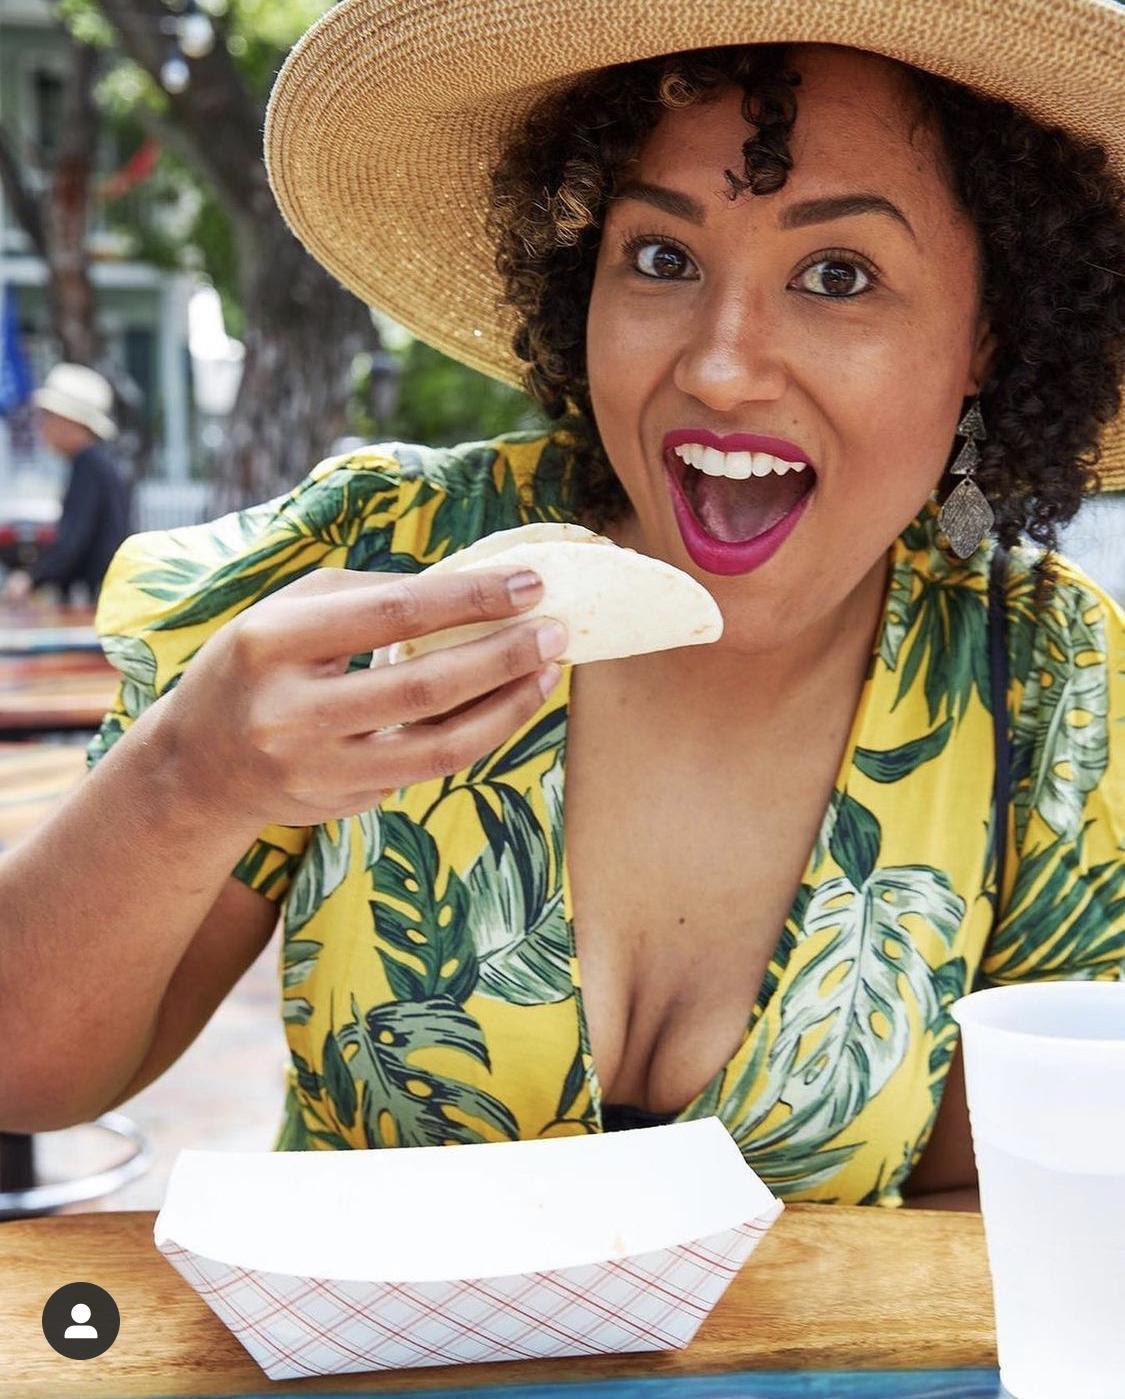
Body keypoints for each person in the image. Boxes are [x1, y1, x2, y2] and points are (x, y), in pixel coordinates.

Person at [1, 0, 1122, 1212]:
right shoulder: (383, 563)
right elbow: (28, 1081)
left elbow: (987, 1217)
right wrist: (189, 780)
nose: (719, 364)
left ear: (988, 341)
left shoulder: (1042, 678)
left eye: (836, 275)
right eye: (661, 258)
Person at [0, 363, 131, 605]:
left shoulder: (89, 466)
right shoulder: (99, 463)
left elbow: (73, 542)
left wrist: (30, 579)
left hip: (99, 599)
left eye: (50, 416)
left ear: (72, 422)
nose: (43, 425)